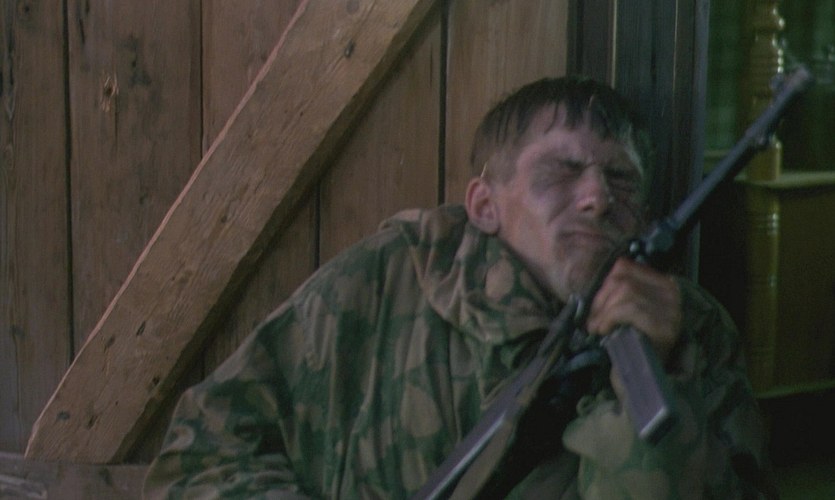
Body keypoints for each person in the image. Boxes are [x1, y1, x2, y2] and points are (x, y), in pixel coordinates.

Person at [143, 76, 774, 498]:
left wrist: (661, 379)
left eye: (622, 180)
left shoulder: (691, 330)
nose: (597, 197)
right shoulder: (391, 280)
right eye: (561, 170)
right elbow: (202, 451)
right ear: (484, 204)